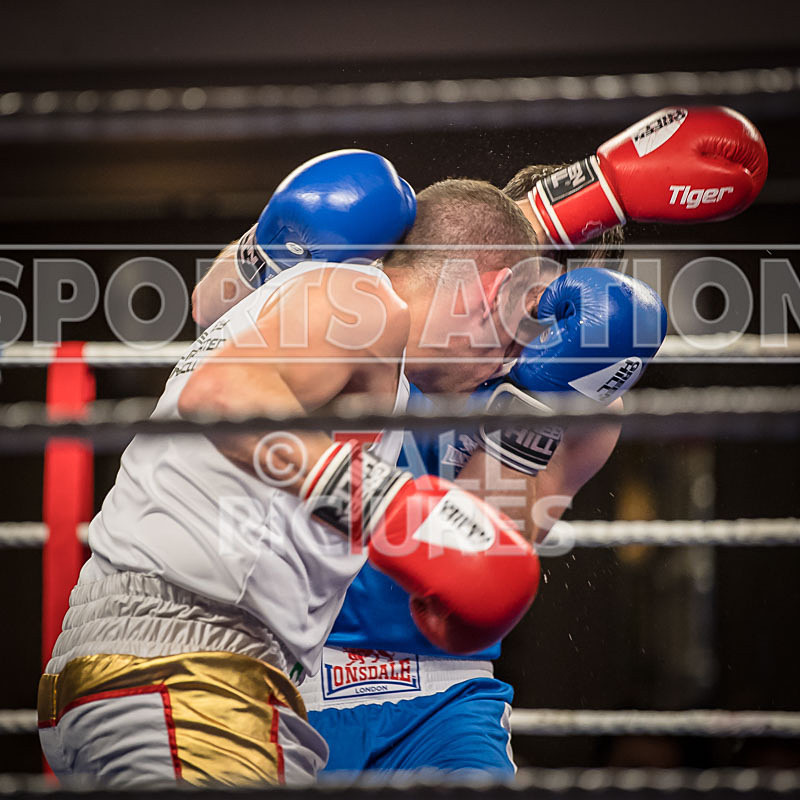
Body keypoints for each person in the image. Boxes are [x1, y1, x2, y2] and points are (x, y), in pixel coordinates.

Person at [188, 105, 768, 778]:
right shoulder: (387, 309)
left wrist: (534, 407)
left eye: (564, 304)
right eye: (527, 287)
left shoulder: (587, 409)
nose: (538, 321)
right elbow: (210, 313)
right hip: (288, 664)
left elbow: (478, 561)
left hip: (444, 690)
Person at [37, 151, 544, 788]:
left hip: (202, 669)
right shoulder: (362, 300)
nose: (509, 363)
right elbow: (222, 400)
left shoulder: (353, 334)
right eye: (519, 331)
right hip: (185, 663)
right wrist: (390, 507)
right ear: (492, 293)